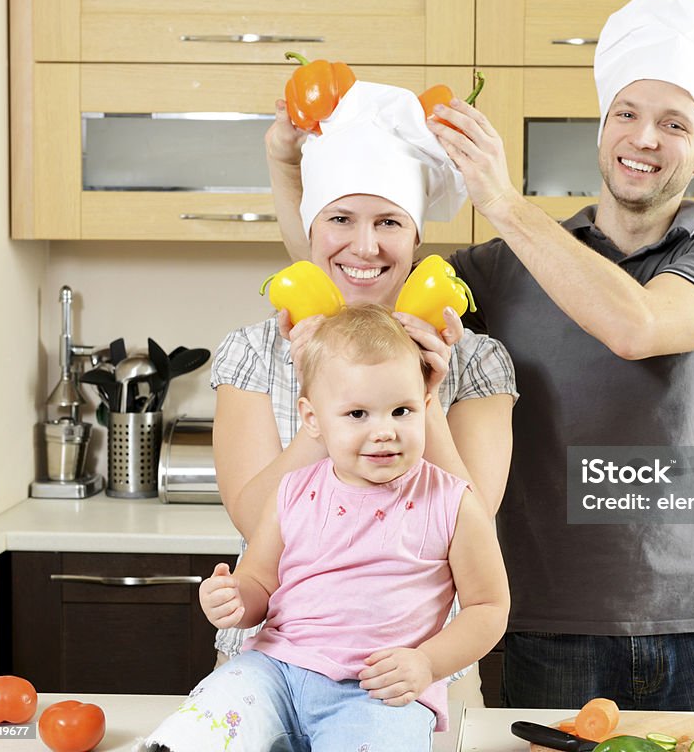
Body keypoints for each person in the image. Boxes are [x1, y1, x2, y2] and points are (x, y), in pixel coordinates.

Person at [266, 0, 694, 712]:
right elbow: (355, 279)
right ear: (603, 129)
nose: (644, 137)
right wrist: (289, 171)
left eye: (674, 123)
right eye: (626, 113)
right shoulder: (499, 270)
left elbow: (636, 327)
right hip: (543, 624)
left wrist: (500, 196)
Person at [212, 80, 517, 708]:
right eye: (340, 220)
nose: (366, 246)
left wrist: (423, 396)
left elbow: (472, 523)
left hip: (421, 674)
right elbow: (255, 520)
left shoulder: (476, 360)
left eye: (389, 222)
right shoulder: (257, 351)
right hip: (272, 669)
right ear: (312, 227)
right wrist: (317, 403)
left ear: (415, 238)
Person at [145, 304, 510, 752]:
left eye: (402, 411)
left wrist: (427, 664)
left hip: (378, 692)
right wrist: (235, 600)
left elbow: (489, 607)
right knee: (202, 723)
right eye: (358, 414)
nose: (384, 432)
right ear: (313, 419)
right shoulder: (292, 491)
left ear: (427, 405)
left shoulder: (454, 502)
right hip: (274, 672)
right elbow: (259, 580)